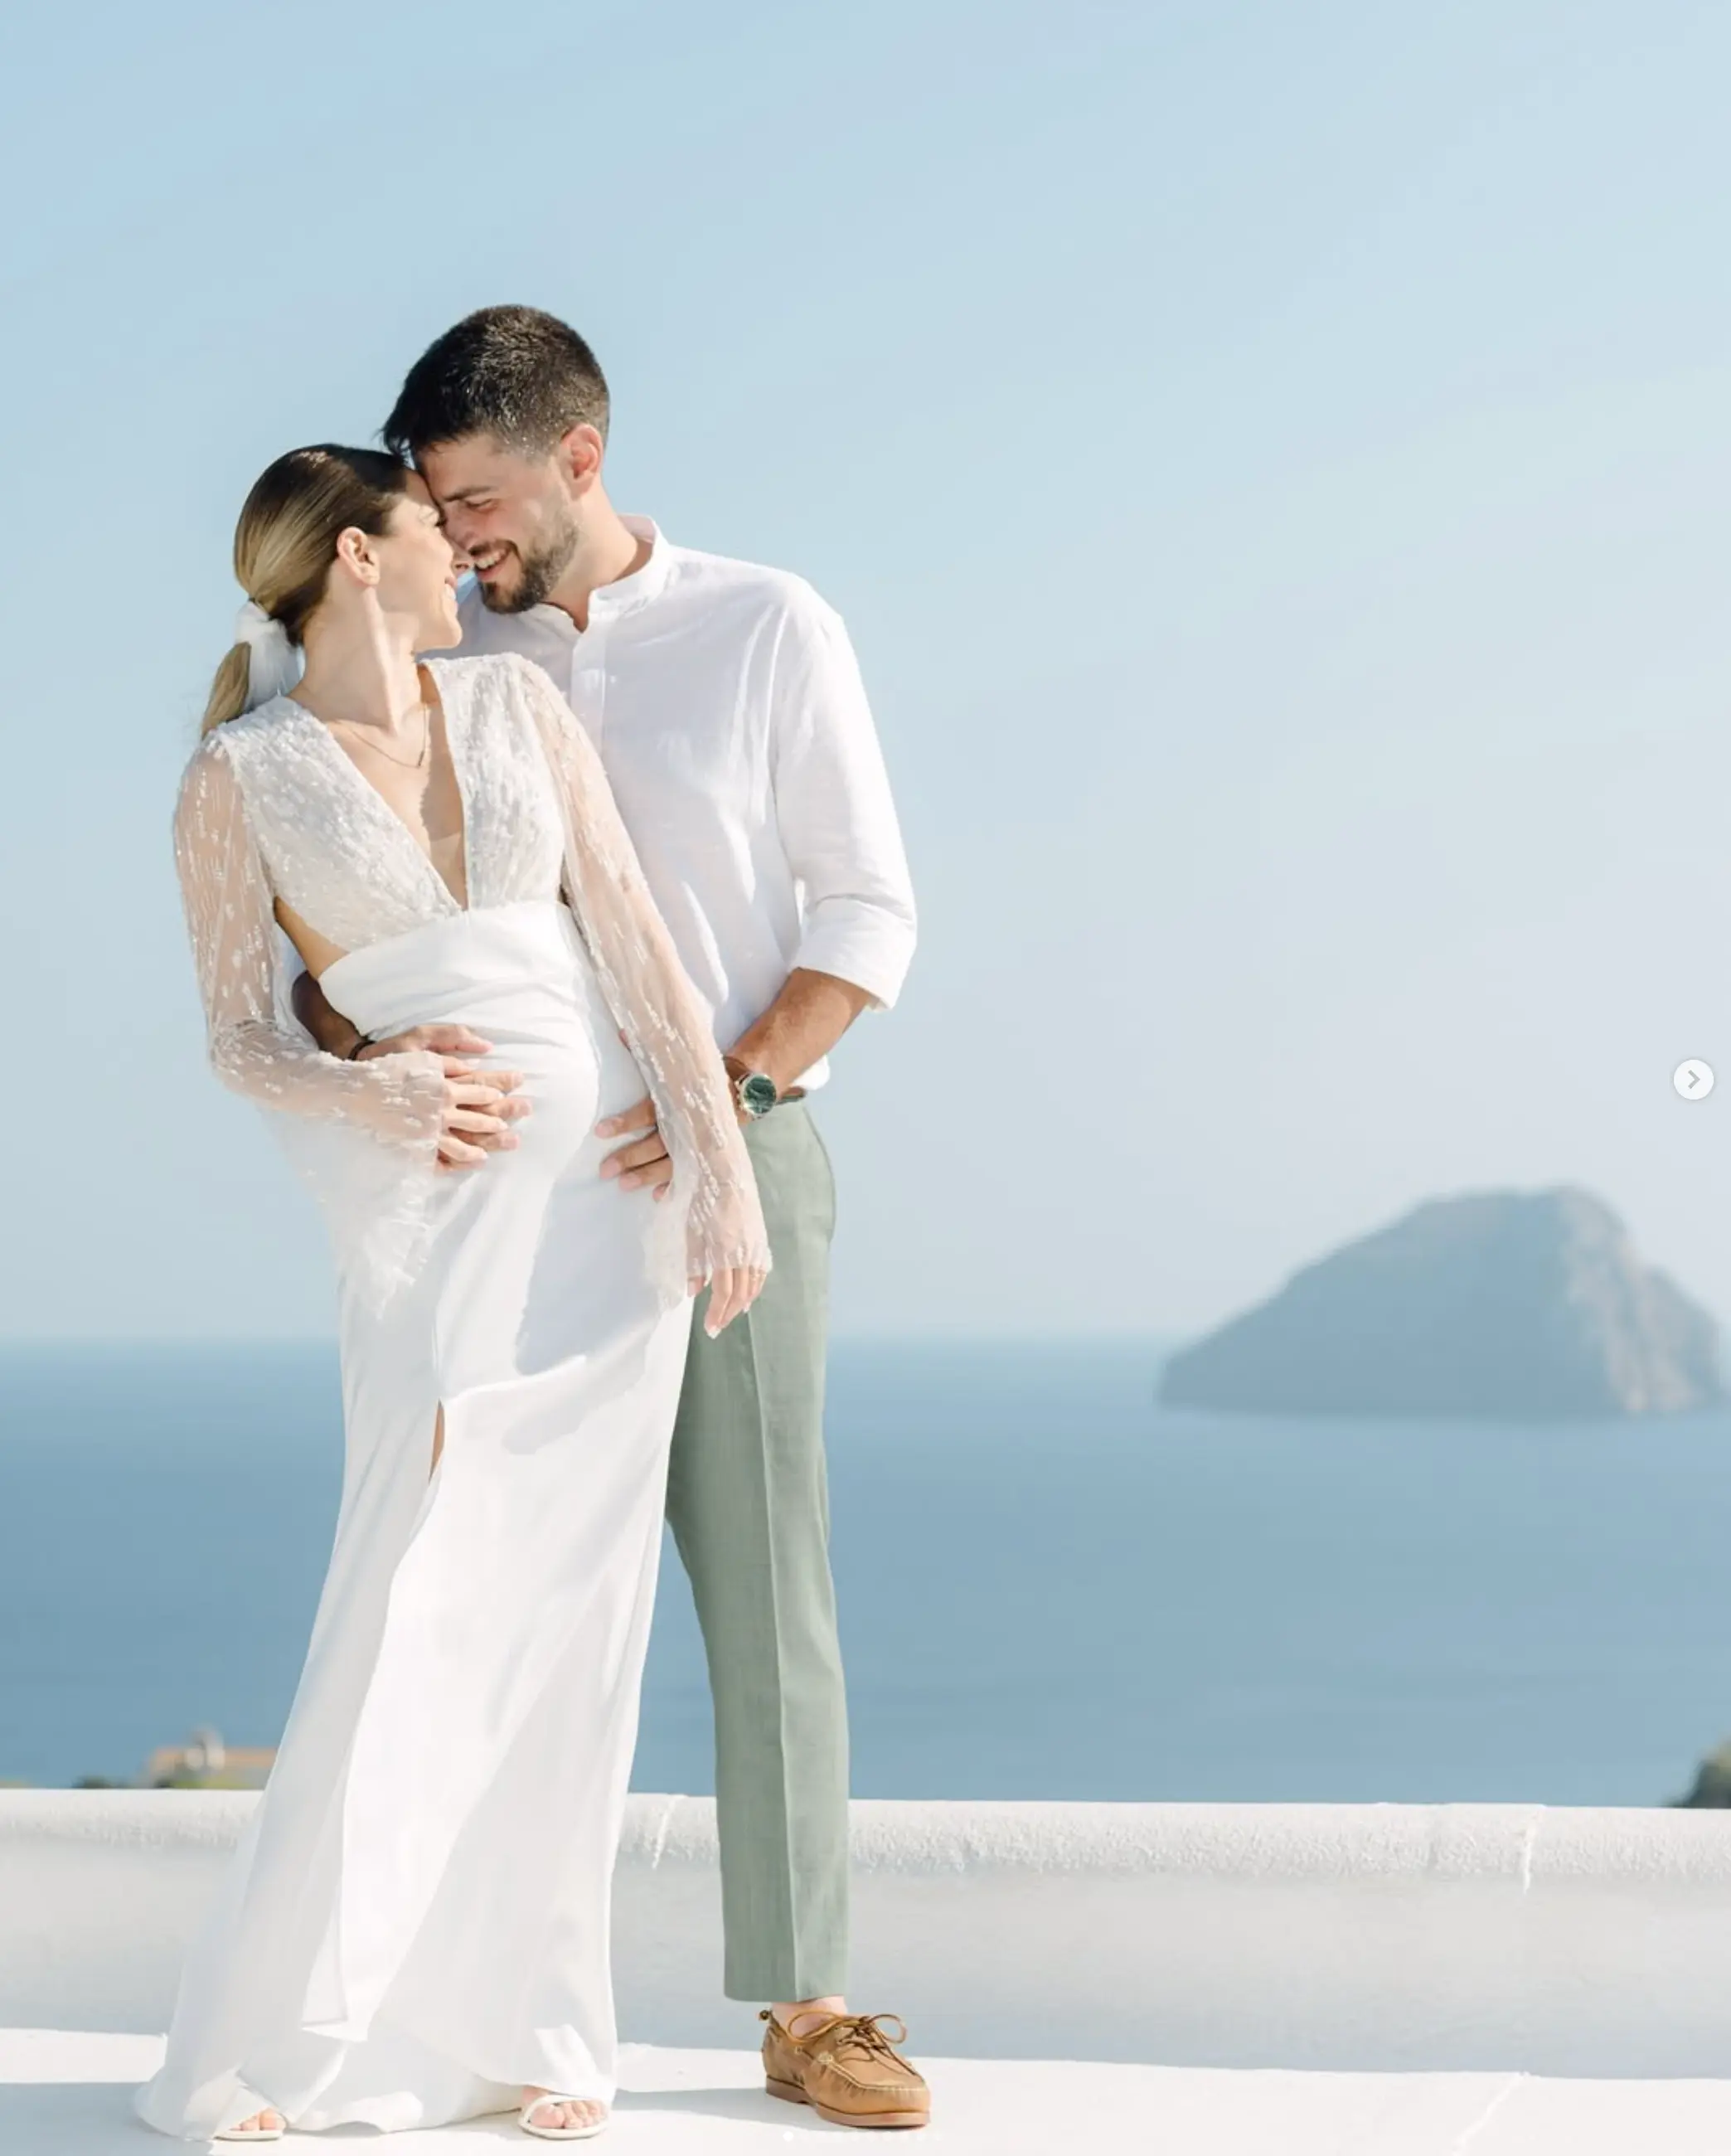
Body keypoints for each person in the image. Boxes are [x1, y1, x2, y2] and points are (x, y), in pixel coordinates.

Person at [297, 305, 928, 2131]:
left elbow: (866, 915)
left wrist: (723, 1102)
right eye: (438, 502)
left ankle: (809, 2011)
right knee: (462, 1594)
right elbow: (330, 912)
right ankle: (436, 2006)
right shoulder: (430, 648)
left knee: (763, 1592)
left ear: (583, 455)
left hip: (725, 1170)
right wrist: (371, 1045)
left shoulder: (766, 624)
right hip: (487, 1198)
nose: (462, 533)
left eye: (484, 495)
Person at [136, 444, 769, 2144]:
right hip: (424, 1225)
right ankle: (274, 2039)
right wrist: (385, 1093)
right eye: (432, 527)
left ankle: (534, 2033)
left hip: (607, 1239)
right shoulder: (238, 776)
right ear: (363, 554)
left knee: (576, 1620)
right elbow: (239, 1036)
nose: (461, 551)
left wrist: (720, 1165)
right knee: (407, 1584)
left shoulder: (514, 716)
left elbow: (631, 936)